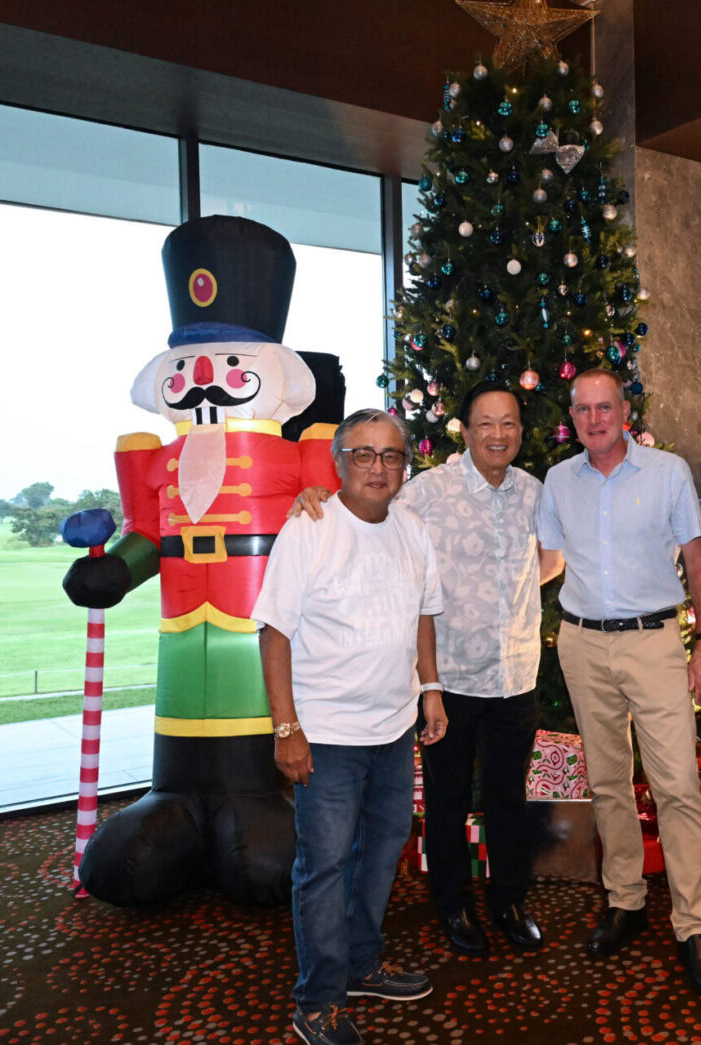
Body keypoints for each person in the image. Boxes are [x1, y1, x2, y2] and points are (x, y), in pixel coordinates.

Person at [294, 381, 565, 958]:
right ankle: (453, 904)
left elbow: (551, 559)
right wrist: (316, 495)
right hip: (449, 676)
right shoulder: (428, 491)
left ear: (521, 431)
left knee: (508, 798)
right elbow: (368, 514)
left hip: (515, 673)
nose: (497, 434)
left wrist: (507, 598)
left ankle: (509, 902)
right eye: (485, 423)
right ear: (464, 431)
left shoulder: (534, 492)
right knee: (447, 801)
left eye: (509, 423)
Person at [254, 407, 447, 1045]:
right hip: (326, 735)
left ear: (404, 466)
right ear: (339, 461)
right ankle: (317, 1002)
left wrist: (430, 691)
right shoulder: (310, 528)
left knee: (380, 857)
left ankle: (362, 964)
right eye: (363, 453)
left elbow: (423, 615)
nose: (377, 467)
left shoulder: (413, 530)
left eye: (391, 455)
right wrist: (287, 729)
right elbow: (274, 632)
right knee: (325, 868)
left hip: (393, 730)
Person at [536, 369, 701, 998]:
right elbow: (547, 561)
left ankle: (693, 925)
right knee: (607, 782)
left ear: (624, 411)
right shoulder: (559, 481)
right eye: (583, 410)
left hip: (653, 640)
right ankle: (625, 901)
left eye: (605, 407)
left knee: (676, 785)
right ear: (572, 417)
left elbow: (697, 556)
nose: (595, 419)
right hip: (582, 642)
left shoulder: (667, 473)